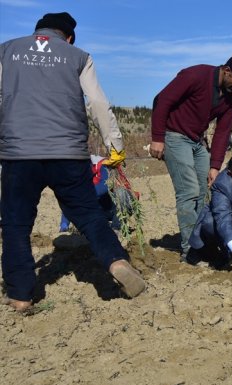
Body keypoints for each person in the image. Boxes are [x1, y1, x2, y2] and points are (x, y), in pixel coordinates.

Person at [0, 12, 145, 312]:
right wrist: (115, 145)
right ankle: (116, 262)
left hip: (19, 153)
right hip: (68, 153)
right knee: (90, 216)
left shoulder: (7, 50)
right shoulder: (78, 56)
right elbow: (98, 103)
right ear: (68, 37)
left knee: (15, 224)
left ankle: (21, 295)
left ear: (38, 30)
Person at [149, 50, 232, 261]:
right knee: (188, 191)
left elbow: (223, 130)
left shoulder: (231, 96)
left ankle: (203, 242)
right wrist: (157, 137)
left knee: (205, 192)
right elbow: (162, 100)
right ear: (227, 70)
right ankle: (190, 250)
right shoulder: (195, 76)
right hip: (174, 136)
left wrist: (215, 165)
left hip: (197, 141)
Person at [59, 155, 121, 233]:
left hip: (111, 208)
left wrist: (84, 193)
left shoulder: (103, 165)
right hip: (95, 212)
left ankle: (116, 227)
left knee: (123, 195)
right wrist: (64, 225)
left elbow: (106, 186)